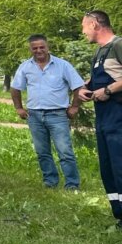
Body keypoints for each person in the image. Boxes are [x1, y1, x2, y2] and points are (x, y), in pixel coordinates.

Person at [10, 34, 84, 190]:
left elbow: (78, 86)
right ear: (30, 49)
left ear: (47, 46)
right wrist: (18, 107)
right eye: (34, 48)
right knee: (42, 152)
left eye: (41, 47)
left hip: (57, 115)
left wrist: (75, 107)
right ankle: (50, 181)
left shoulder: (63, 65)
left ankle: (72, 184)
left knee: (65, 152)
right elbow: (15, 88)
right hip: (34, 115)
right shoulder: (25, 67)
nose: (38, 50)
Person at [76, 10, 122, 229]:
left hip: (119, 117)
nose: (83, 31)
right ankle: (119, 214)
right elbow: (98, 80)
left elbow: (112, 83)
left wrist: (109, 90)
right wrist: (85, 89)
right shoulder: (99, 53)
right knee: (108, 168)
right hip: (104, 120)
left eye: (84, 26)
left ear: (94, 24)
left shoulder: (118, 45)